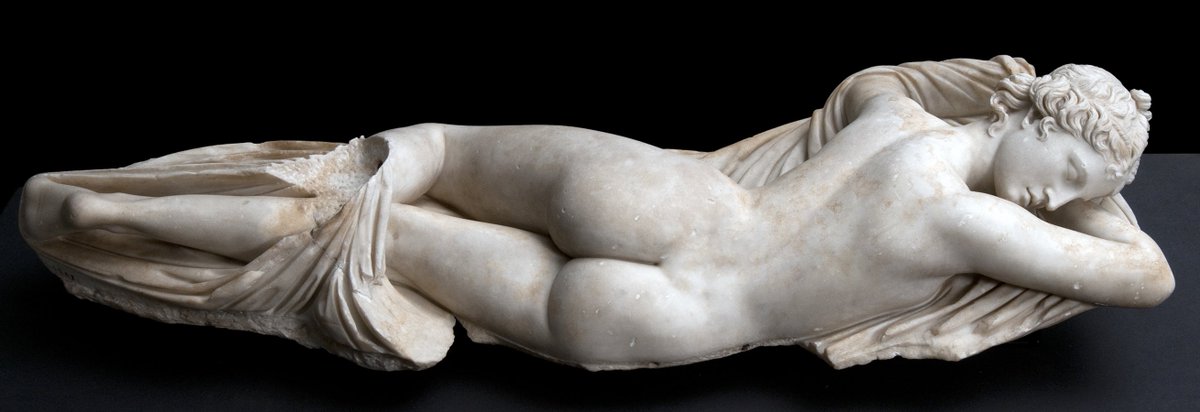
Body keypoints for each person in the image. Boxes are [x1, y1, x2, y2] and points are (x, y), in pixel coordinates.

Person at [19, 56, 1173, 371]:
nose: (1060, 196)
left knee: (409, 160)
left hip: (666, 193)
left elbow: (877, 83)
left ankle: (104, 201)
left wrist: (1040, 117)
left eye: (1082, 188)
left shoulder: (894, 110)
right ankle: (113, 226)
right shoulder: (976, 225)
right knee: (372, 243)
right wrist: (1111, 203)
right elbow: (1147, 276)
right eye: (1069, 165)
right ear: (1034, 113)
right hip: (671, 308)